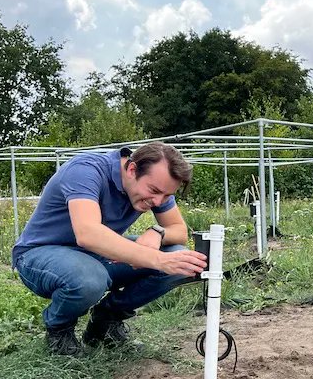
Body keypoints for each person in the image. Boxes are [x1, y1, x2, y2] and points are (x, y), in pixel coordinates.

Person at [12, 142, 208, 356]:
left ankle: (105, 321)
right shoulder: (86, 170)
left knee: (178, 258)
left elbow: (179, 231)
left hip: (95, 254)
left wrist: (157, 232)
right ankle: (59, 329)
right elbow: (88, 233)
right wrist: (154, 258)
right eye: (154, 191)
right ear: (132, 169)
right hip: (39, 254)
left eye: (167, 196)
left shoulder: (156, 186)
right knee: (89, 279)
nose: (158, 201)